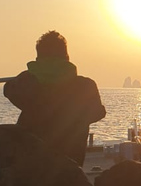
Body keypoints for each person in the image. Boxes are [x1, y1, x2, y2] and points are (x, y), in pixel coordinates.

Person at [4, 30, 106, 167]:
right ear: (66, 56)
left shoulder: (26, 83)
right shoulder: (85, 86)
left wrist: (33, 73)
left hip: (31, 166)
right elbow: (98, 112)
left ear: (38, 57)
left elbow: (9, 89)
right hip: (70, 164)